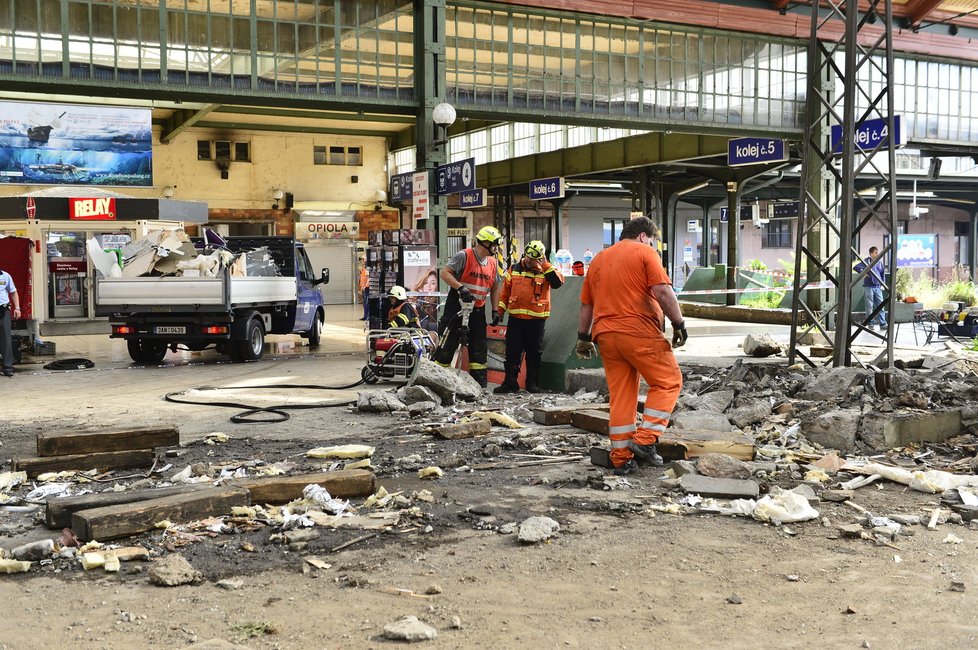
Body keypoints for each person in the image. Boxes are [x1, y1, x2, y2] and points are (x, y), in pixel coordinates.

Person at [576, 217, 687, 475]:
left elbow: (586, 305)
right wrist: (679, 324)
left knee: (622, 394)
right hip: (638, 331)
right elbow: (662, 291)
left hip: (606, 335)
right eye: (651, 242)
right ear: (642, 236)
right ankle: (645, 439)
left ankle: (621, 457)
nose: (652, 246)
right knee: (668, 381)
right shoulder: (644, 252)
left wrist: (583, 336)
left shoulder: (600, 260)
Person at [432, 225, 503, 388]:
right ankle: (436, 384)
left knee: (479, 349)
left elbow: (495, 287)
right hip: (456, 307)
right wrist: (461, 288)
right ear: (485, 243)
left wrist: (494, 310)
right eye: (495, 244)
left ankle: (479, 387)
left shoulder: (492, 263)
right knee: (447, 346)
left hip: (477, 311)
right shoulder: (464, 255)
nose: (496, 248)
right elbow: (445, 273)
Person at [494, 240, 564, 394]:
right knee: (512, 351)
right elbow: (505, 292)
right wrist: (499, 311)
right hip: (516, 319)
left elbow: (558, 283)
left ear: (540, 258)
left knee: (533, 352)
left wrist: (545, 265)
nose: (529, 261)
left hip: (536, 320)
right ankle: (510, 383)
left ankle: (532, 384)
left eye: (534, 259)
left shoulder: (546, 271)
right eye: (528, 258)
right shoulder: (514, 269)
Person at [854, 246, 887, 330]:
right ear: (871, 253)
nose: (877, 254)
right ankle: (870, 324)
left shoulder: (879, 263)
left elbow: (882, 274)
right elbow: (856, 267)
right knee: (869, 306)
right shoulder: (866, 261)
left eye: (877, 252)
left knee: (881, 306)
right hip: (868, 287)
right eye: (876, 252)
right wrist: (863, 273)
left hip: (878, 287)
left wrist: (882, 284)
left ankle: (883, 324)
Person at [0, 267, 22, 378]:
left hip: (3, 311)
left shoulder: (5, 276)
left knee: (6, 340)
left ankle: (7, 367)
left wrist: (17, 308)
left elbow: (13, 292)